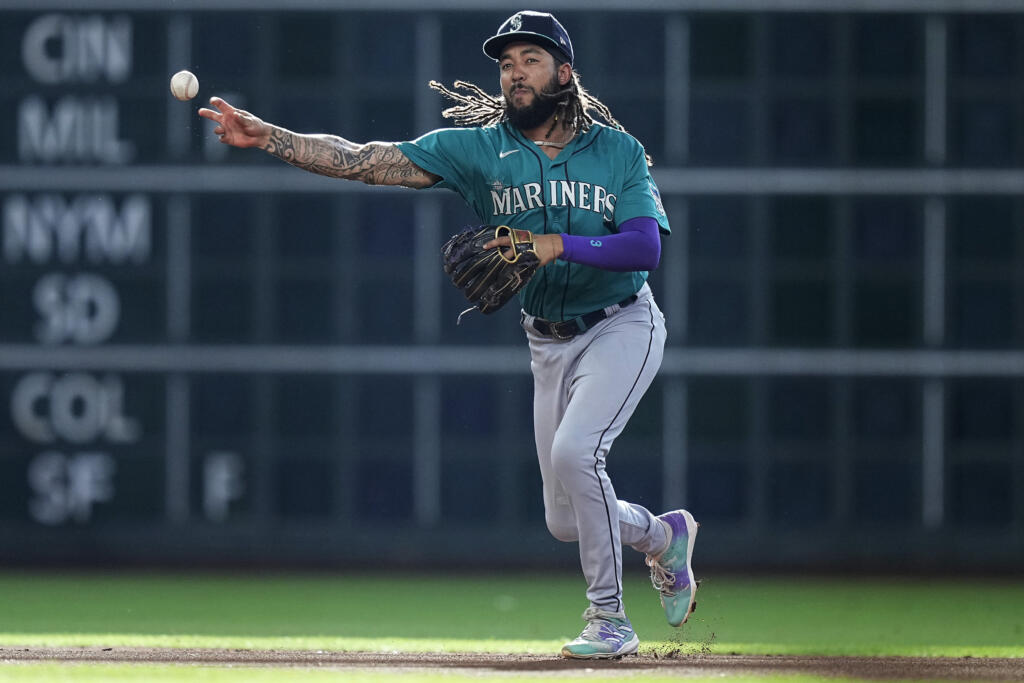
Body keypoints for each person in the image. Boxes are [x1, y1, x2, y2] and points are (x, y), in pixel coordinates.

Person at [199, 10, 698, 660]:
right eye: (507, 62)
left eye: (532, 59)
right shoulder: (478, 150)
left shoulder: (617, 152)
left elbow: (642, 249)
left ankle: (609, 618)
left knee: (579, 454)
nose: (516, 72)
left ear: (565, 73)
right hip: (548, 338)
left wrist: (554, 243)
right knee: (565, 518)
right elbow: (364, 160)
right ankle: (662, 536)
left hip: (622, 322)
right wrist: (271, 137)